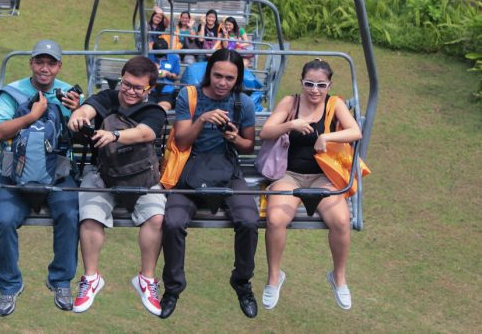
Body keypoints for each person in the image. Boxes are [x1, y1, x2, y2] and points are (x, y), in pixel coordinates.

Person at [159, 49, 259, 320]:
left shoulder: (242, 103)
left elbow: (248, 146)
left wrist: (234, 138)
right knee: (173, 222)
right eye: (217, 76)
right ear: (209, 73)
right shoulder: (189, 96)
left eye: (229, 78)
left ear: (237, 79)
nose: (222, 83)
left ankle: (242, 281)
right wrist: (202, 120)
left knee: (249, 220)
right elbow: (182, 141)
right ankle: (173, 288)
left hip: (226, 168)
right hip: (191, 167)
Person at [259, 59, 362, 311]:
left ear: (329, 85)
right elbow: (266, 131)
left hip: (323, 177)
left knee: (341, 220)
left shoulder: (334, 104)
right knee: (275, 219)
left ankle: (338, 277)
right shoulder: (290, 103)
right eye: (309, 84)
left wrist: (326, 136)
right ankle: (274, 277)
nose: (315, 90)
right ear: (302, 82)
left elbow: (355, 131)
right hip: (289, 174)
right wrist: (290, 124)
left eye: (321, 85)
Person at [68, 56, 167, 316]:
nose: (130, 91)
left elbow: (145, 133)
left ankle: (146, 278)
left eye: (138, 88)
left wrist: (114, 135)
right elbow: (87, 110)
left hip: (142, 178)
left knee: (156, 217)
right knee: (90, 215)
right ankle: (91, 277)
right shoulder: (108, 98)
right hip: (105, 174)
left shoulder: (153, 111)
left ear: (149, 89)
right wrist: (78, 117)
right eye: (126, 84)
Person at [0, 40, 81, 316]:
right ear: (31, 63)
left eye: (51, 63)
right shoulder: (13, 93)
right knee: (4, 220)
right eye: (39, 62)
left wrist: (77, 112)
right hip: (15, 175)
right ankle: (9, 285)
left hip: (57, 174)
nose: (44, 68)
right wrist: (31, 116)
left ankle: (61, 280)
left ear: (59, 66)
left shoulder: (68, 94)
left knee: (70, 213)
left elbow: (82, 135)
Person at [149, 38, 181, 111]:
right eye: (157, 56)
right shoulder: (148, 57)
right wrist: (153, 71)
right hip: (149, 87)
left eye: (161, 56)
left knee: (162, 109)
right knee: (147, 107)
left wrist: (167, 74)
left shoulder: (174, 58)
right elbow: (142, 76)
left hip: (167, 89)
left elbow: (175, 77)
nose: (159, 58)